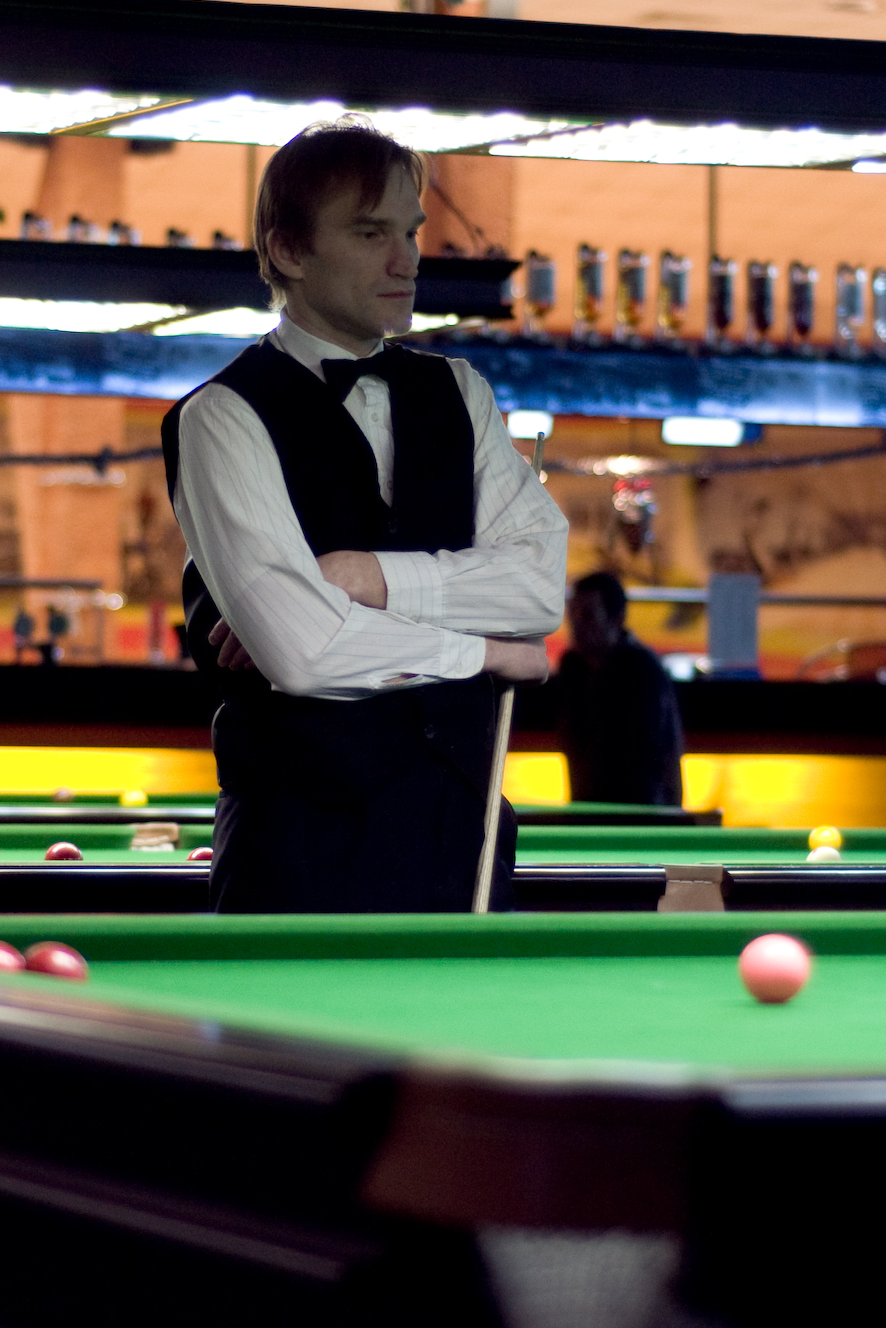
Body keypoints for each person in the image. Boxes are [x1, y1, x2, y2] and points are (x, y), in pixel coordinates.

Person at [163, 119, 568, 912]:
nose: (406, 259)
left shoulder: (461, 391)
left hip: (465, 847)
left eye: (410, 232)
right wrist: (487, 652)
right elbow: (305, 652)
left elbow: (537, 589)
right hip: (298, 863)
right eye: (371, 232)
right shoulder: (220, 416)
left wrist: (366, 580)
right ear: (289, 251)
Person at [555, 572, 686, 807]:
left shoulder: (642, 670)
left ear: (616, 618)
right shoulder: (573, 669)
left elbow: (662, 756)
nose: (577, 626)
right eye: (572, 615)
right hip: (590, 809)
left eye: (587, 615)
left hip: (639, 812)